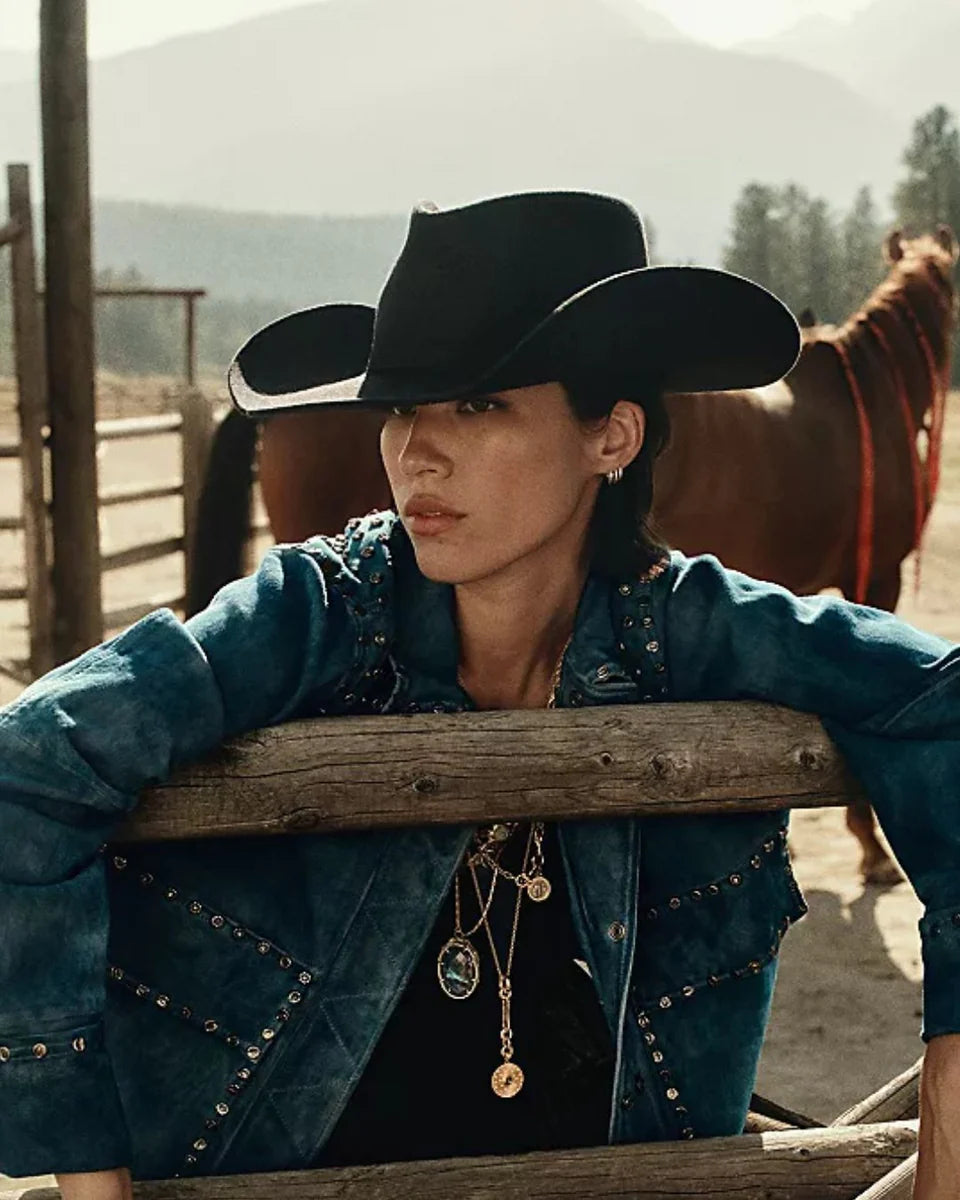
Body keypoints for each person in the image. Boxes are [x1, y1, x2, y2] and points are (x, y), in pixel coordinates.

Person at [0, 192, 957, 1200]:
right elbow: (30, 761)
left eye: (480, 405)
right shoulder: (318, 612)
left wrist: (942, 1146)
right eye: (406, 406)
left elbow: (938, 701)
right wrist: (91, 1182)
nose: (418, 451)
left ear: (612, 438)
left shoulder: (684, 624)